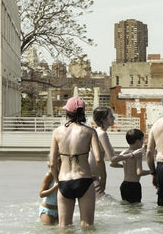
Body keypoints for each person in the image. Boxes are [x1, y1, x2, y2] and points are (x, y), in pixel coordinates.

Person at [50, 96, 106, 227]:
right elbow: (98, 159)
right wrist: (104, 178)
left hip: (64, 181)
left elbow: (52, 163)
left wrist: (57, 181)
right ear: (83, 112)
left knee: (64, 227)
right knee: (87, 226)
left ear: (67, 112)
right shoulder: (90, 132)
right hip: (84, 180)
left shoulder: (57, 132)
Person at [89, 106, 140, 198]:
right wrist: (132, 154)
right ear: (103, 119)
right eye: (111, 116)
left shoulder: (97, 131)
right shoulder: (102, 134)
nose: (114, 118)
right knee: (106, 203)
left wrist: (125, 166)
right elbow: (112, 159)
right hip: (91, 178)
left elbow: (112, 161)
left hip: (91, 177)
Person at [117, 128, 151, 203]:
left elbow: (112, 163)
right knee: (135, 210)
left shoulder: (124, 152)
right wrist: (152, 171)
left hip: (124, 185)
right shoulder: (138, 154)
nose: (143, 142)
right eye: (142, 140)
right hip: (134, 186)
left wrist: (124, 166)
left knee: (126, 208)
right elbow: (139, 172)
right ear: (138, 141)